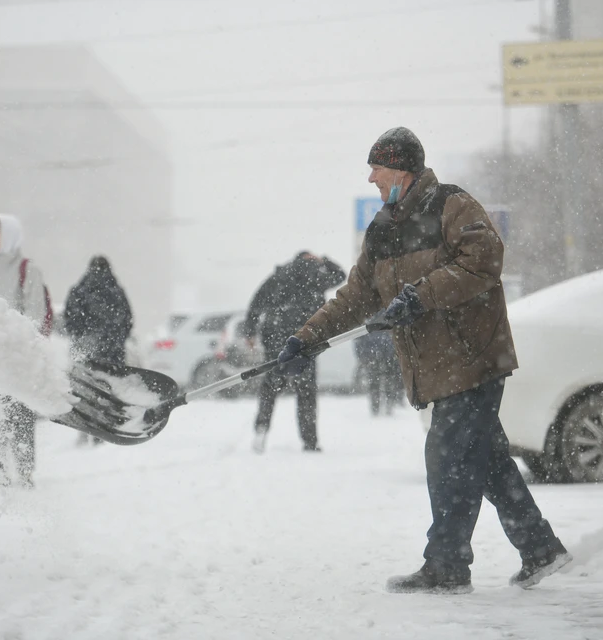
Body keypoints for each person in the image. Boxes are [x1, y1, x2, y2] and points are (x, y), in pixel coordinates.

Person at [275, 127, 570, 593]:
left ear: (403, 170)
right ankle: (540, 547)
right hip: (435, 364)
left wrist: (422, 296)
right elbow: (355, 297)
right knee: (486, 459)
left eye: (378, 166)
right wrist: (305, 338)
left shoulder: (453, 205)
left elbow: (483, 261)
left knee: (447, 457)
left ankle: (447, 565)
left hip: (472, 357)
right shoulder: (384, 228)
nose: (371, 176)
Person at [242, 251, 345, 454]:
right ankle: (310, 441)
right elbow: (341, 275)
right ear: (310, 259)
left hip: (276, 337)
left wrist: (250, 332)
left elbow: (256, 302)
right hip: (304, 337)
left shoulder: (278, 276)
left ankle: (261, 429)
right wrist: (324, 260)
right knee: (306, 392)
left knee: (270, 388)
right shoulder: (315, 275)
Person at [0, 214, 48, 489]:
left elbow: (35, 313)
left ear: (9, 233)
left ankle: (24, 470)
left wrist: (19, 343)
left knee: (20, 414)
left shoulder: (27, 269)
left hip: (17, 357)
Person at [63, 256, 134, 445]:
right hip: (111, 352)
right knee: (107, 390)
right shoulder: (116, 291)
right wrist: (115, 341)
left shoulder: (79, 290)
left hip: (86, 350)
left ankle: (83, 428)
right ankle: (103, 429)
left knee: (84, 389)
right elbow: (127, 320)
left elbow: (69, 319)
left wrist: (82, 338)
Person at [353, 311, 403, 416]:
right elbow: (359, 338)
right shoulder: (380, 312)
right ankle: (379, 406)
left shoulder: (373, 313)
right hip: (378, 353)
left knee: (383, 380)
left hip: (383, 353)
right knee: (379, 381)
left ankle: (384, 405)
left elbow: (359, 338)